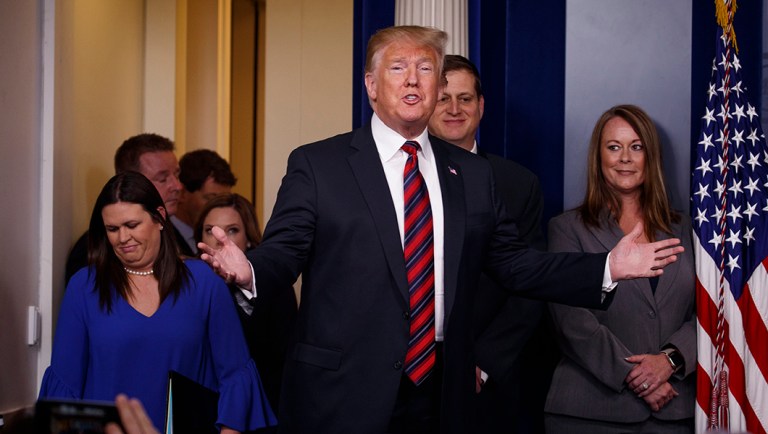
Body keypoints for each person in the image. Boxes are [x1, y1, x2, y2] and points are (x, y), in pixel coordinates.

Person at [198, 26, 683, 434]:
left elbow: (514, 264)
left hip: (440, 397)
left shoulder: (470, 173)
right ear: (370, 84)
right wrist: (249, 272)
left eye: (425, 69)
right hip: (341, 396)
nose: (413, 80)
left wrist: (606, 266)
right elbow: (286, 250)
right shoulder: (318, 164)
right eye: (398, 68)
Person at [40, 172, 276, 432]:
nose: (122, 238)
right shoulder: (85, 286)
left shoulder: (204, 281)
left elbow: (235, 374)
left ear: (160, 218)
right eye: (112, 229)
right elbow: (65, 387)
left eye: (132, 225)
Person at [544, 105, 696, 433]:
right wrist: (637, 376)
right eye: (614, 147)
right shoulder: (567, 229)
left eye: (636, 147)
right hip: (590, 411)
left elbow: (712, 311)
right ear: (599, 158)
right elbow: (571, 321)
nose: (625, 157)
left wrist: (670, 359)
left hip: (674, 412)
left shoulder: (687, 229)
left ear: (650, 156)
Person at [428, 54, 556, 433]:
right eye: (443, 98)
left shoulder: (518, 183)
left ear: (480, 107)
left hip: (488, 381)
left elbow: (529, 285)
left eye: (465, 99)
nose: (454, 109)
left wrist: (484, 362)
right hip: (399, 373)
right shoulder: (395, 177)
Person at [194, 193, 297, 414]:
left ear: (248, 237)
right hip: (200, 402)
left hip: (259, 405)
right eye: (209, 230)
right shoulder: (188, 282)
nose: (219, 239)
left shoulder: (274, 283)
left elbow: (281, 358)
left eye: (232, 230)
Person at [65, 133, 184, 282]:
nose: (177, 186)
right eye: (162, 178)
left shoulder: (173, 232)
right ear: (131, 183)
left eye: (177, 175)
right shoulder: (91, 253)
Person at [172, 149, 237, 256]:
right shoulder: (161, 234)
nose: (218, 208)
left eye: (224, 199)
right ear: (182, 193)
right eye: (210, 198)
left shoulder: (227, 236)